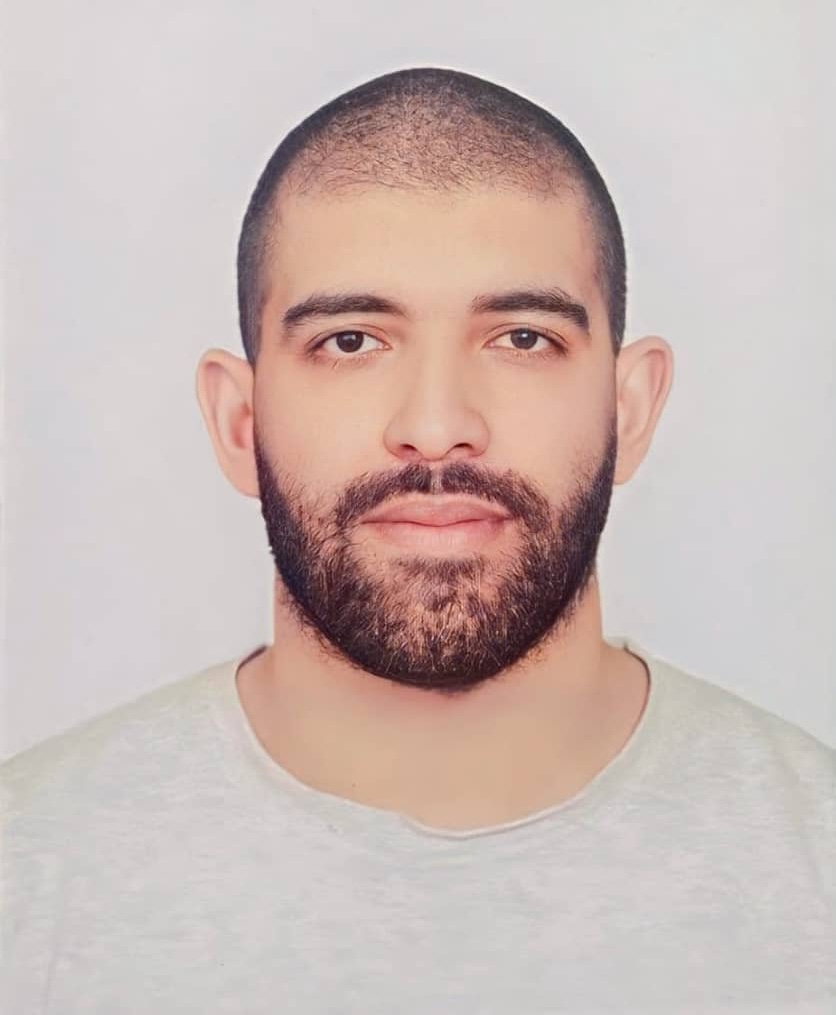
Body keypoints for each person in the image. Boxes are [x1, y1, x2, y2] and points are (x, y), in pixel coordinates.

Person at [2, 66, 833, 1015]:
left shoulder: (813, 875)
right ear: (239, 422)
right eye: (351, 341)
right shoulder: (26, 881)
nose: (436, 428)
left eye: (522, 338)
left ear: (629, 409)